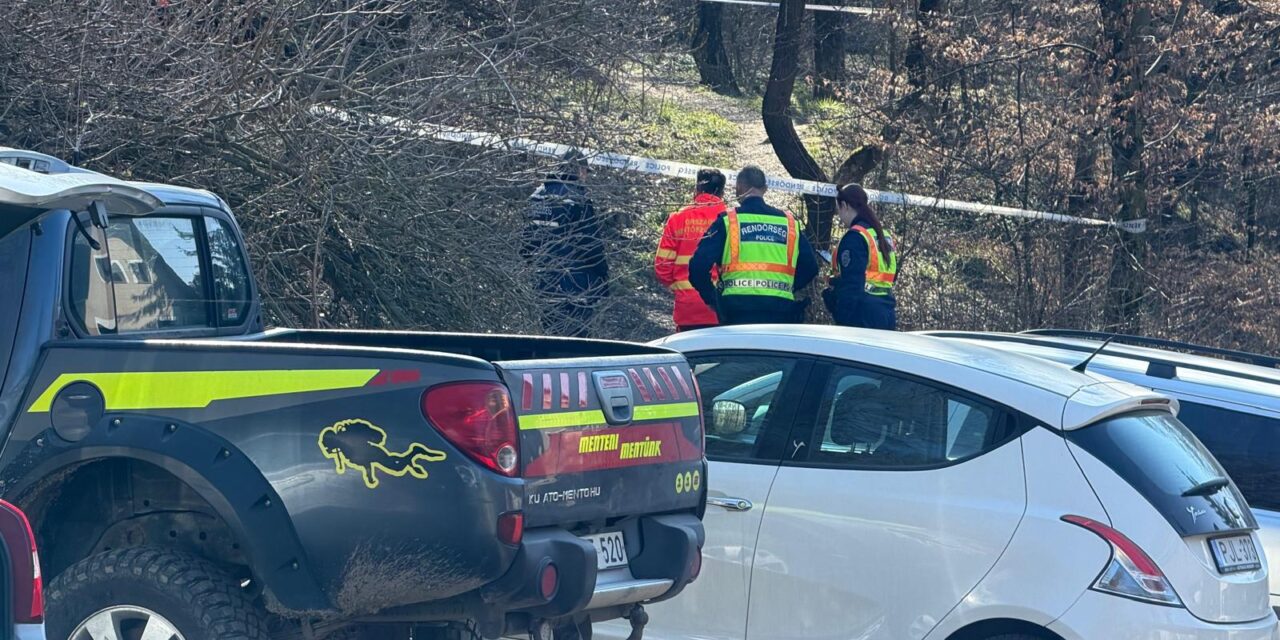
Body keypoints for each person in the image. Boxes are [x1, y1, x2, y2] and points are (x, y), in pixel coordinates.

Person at [688, 165, 818, 325]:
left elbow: (697, 266)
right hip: (780, 311)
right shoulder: (789, 224)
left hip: (737, 311)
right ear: (765, 189)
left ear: (739, 188)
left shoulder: (728, 221)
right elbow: (811, 267)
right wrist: (787, 286)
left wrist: (713, 299)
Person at [522, 150, 609, 338]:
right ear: (578, 170)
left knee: (549, 336)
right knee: (576, 341)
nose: (586, 176)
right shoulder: (578, 197)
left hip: (543, 281)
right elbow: (590, 242)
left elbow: (526, 241)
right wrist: (603, 275)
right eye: (585, 171)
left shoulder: (537, 196)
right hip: (575, 283)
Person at [654, 169, 728, 332]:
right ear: (722, 192)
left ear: (697, 189)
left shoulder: (678, 218)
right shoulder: (731, 220)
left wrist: (680, 289)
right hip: (722, 308)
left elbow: (662, 267)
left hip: (687, 308)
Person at [823, 183, 898, 330]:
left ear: (845, 205)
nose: (839, 216)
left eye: (838, 209)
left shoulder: (855, 237)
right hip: (886, 310)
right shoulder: (883, 235)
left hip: (863, 315)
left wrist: (842, 318)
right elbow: (887, 276)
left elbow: (853, 284)